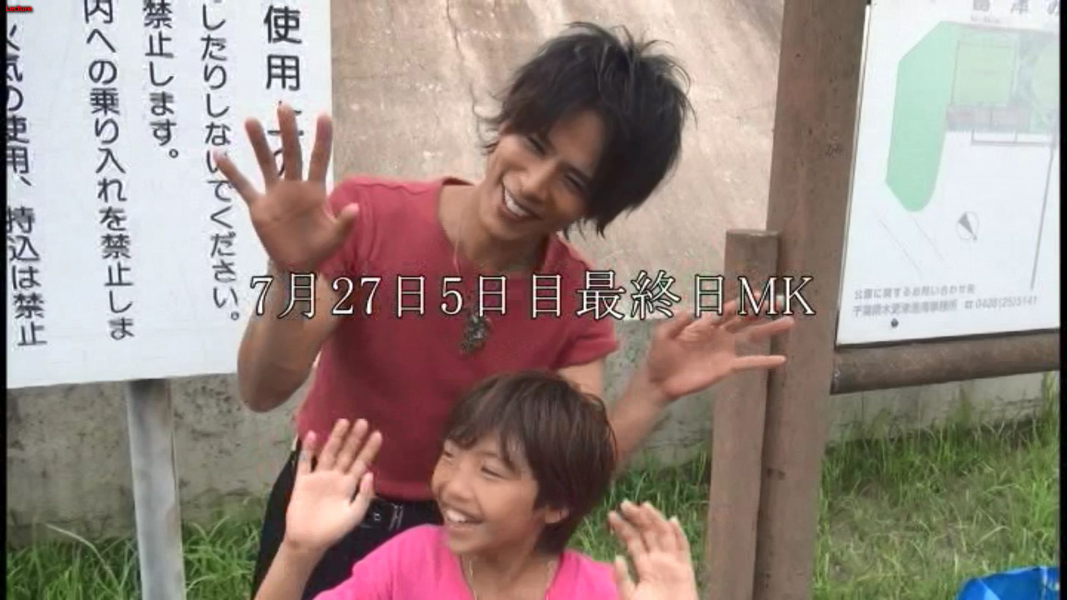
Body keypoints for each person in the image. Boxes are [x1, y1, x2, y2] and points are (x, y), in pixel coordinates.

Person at [217, 21, 794, 598]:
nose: (534, 183)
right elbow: (263, 388)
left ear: (598, 205)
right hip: (323, 514)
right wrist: (292, 274)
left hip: (463, 542)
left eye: (572, 180)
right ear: (510, 120)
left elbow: (565, 475)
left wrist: (654, 389)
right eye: (535, 144)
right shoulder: (365, 218)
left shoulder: (573, 297)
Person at [254, 371, 701, 600]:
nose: (452, 486)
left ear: (556, 504)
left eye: (490, 472)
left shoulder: (603, 591)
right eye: (450, 454)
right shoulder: (407, 561)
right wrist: (298, 551)